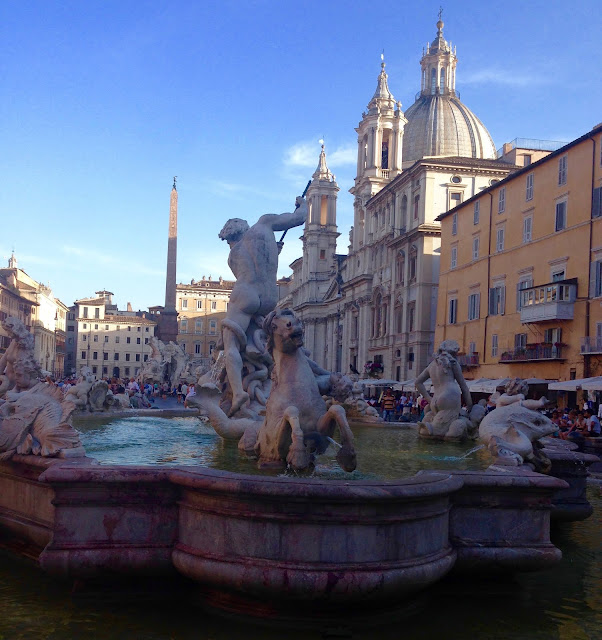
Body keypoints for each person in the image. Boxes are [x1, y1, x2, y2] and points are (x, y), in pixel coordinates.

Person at [218, 196, 308, 416]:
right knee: (271, 341)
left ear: (231, 236)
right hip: (269, 297)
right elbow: (299, 218)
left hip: (246, 294)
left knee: (230, 346)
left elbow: (246, 273)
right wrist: (303, 204)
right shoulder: (265, 224)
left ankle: (239, 392)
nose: (230, 245)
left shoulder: (232, 256)